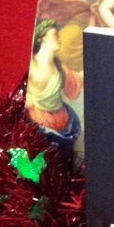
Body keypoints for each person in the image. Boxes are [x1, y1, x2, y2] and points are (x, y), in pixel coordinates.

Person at [25, 19, 82, 152]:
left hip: (63, 120)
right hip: (39, 121)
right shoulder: (32, 64)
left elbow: (75, 83)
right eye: (55, 34)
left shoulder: (60, 68)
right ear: (43, 38)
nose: (60, 38)